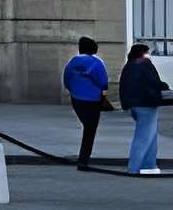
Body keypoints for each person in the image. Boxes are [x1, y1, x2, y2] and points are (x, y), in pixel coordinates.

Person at [64, 36, 112, 168]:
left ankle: (82, 157)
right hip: (92, 100)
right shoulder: (96, 63)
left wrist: (74, 91)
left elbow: (67, 79)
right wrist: (104, 95)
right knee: (90, 131)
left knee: (87, 126)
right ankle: (83, 159)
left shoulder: (73, 62)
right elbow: (103, 82)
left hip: (76, 99)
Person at [119, 42, 165, 174]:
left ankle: (150, 165)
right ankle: (135, 167)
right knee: (144, 136)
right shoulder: (145, 63)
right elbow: (154, 82)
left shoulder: (129, 65)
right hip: (146, 103)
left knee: (150, 135)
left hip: (132, 104)